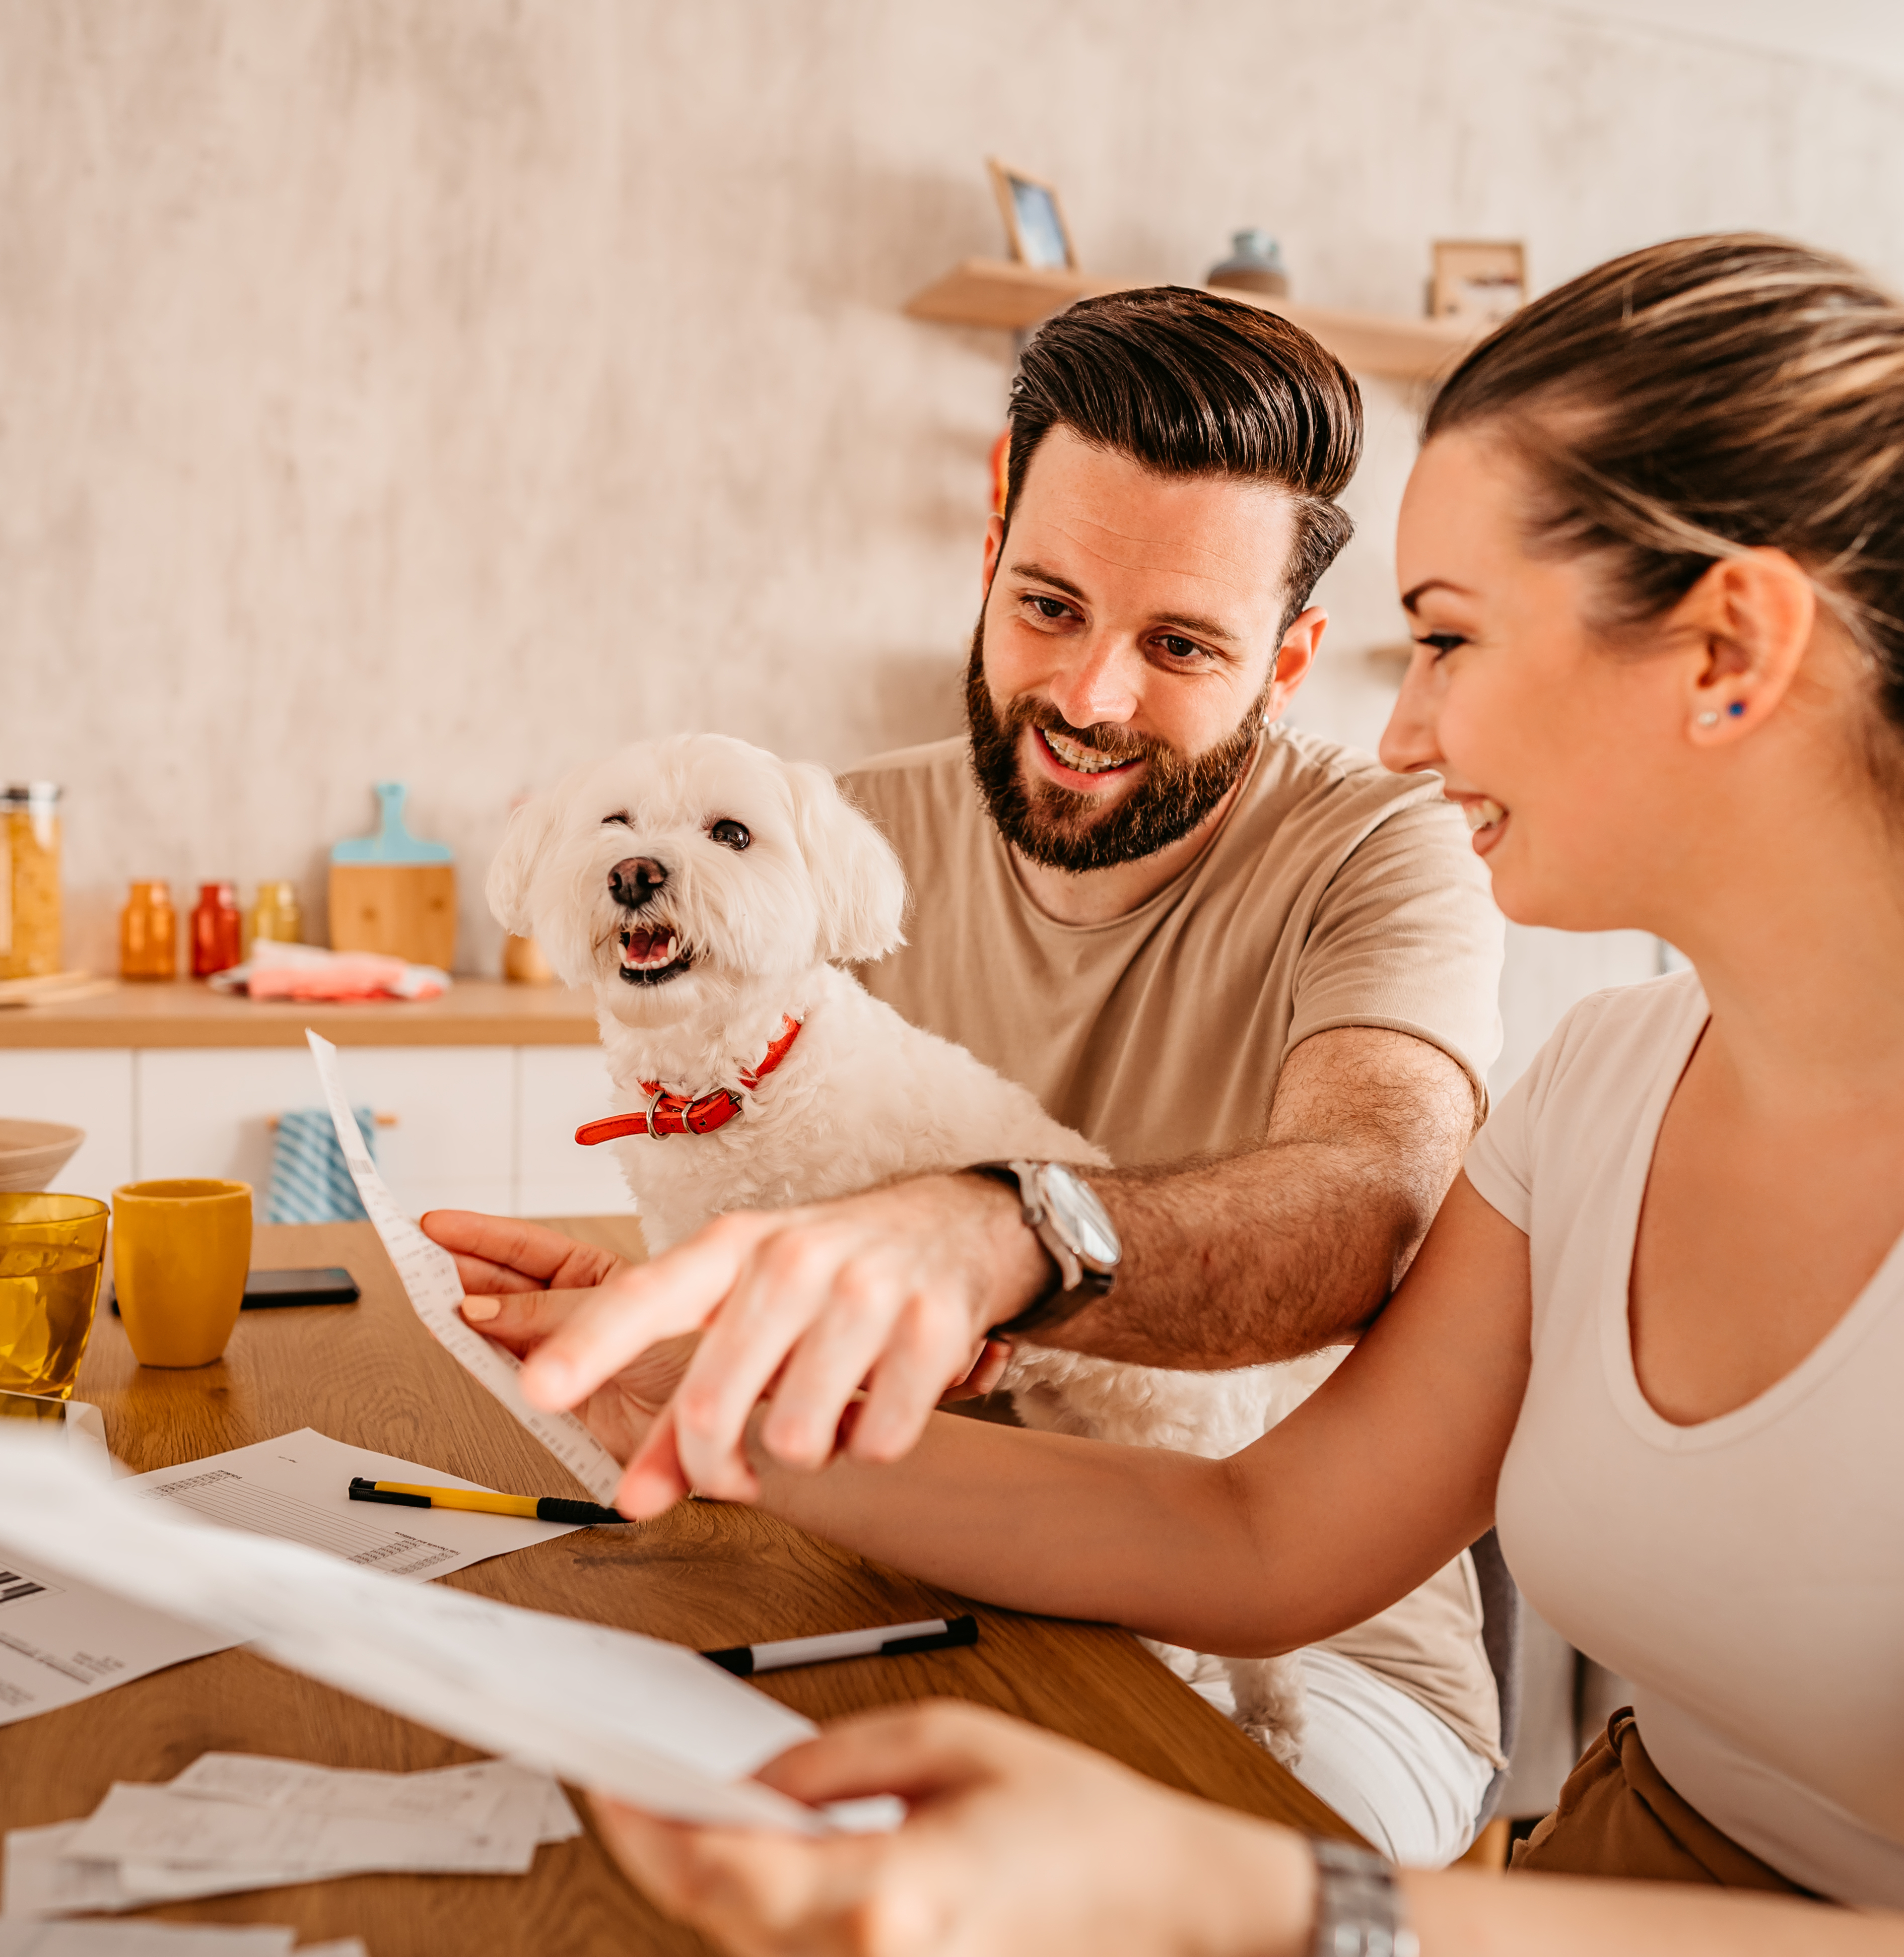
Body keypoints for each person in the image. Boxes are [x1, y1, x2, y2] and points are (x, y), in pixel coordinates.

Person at [488, 235, 1904, 1954]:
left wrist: (1248, 1896)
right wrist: (696, 1380)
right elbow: (1258, 1537)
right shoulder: (1604, 1084)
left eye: (1445, 637)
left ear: (1728, 651)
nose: (1398, 728)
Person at [430, 285, 1512, 1862]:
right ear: (989, 543)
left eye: (1182, 646)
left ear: (1291, 659)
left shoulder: (1384, 852)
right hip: (898, 1561)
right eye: (1050, 607)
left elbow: (1374, 1203)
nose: (1087, 700)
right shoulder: (811, 834)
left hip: (1315, 1651)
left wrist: (1004, 1233)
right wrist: (716, 1333)